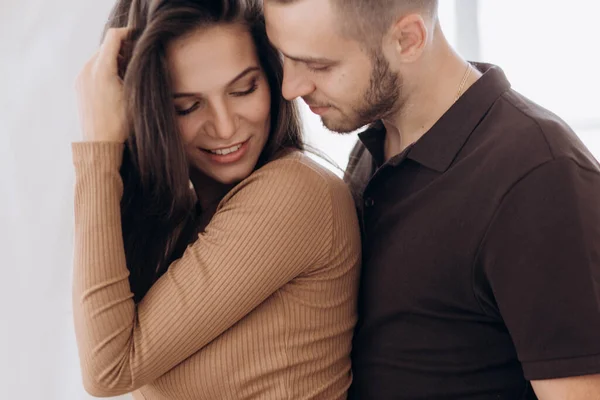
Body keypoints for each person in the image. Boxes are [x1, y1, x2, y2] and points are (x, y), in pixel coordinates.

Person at [263, 0, 600, 398]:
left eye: (319, 66)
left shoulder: (539, 177)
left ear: (408, 39)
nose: (290, 87)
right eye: (282, 55)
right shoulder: (377, 145)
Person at [71, 0, 361, 398]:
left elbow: (108, 368)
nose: (225, 127)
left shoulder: (295, 192)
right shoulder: (189, 219)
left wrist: (98, 146)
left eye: (244, 89)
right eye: (188, 106)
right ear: (147, 113)